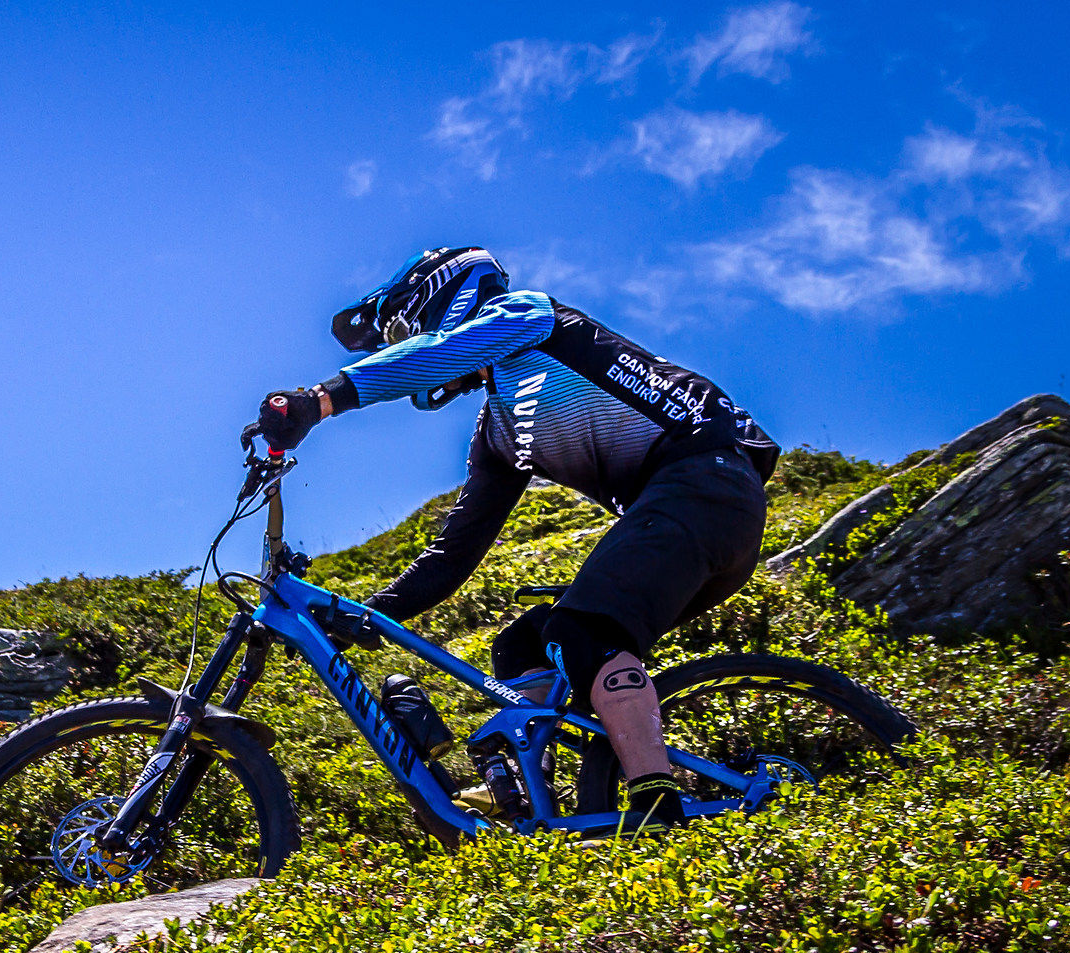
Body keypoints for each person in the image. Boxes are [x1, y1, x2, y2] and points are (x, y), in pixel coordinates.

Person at [252, 246, 777, 833]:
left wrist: (321, 399)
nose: (407, 345)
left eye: (405, 332)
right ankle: (534, 803)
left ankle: (658, 810)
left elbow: (439, 352)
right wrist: (367, 614)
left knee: (584, 632)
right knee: (524, 647)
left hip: (708, 483)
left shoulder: (526, 316)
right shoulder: (500, 431)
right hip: (694, 516)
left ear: (442, 299)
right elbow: (454, 553)